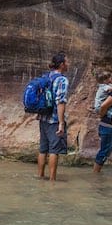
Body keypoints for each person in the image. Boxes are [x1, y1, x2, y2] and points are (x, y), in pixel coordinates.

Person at [37, 52, 70, 181]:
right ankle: (52, 181)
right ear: (62, 64)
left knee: (43, 149)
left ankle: (39, 177)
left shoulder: (47, 76)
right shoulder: (62, 79)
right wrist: (61, 123)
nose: (68, 64)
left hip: (43, 117)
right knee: (54, 150)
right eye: (67, 62)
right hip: (54, 119)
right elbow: (60, 101)